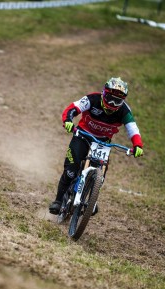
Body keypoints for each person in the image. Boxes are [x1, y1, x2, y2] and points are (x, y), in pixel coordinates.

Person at [48, 77, 144, 215]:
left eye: (117, 101)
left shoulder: (124, 111)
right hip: (82, 136)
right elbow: (72, 108)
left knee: (101, 173)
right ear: (103, 93)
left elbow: (133, 129)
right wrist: (68, 120)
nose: (112, 103)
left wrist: (138, 145)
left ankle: (91, 199)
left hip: (103, 142)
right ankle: (58, 201)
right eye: (110, 98)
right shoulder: (92, 99)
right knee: (70, 171)